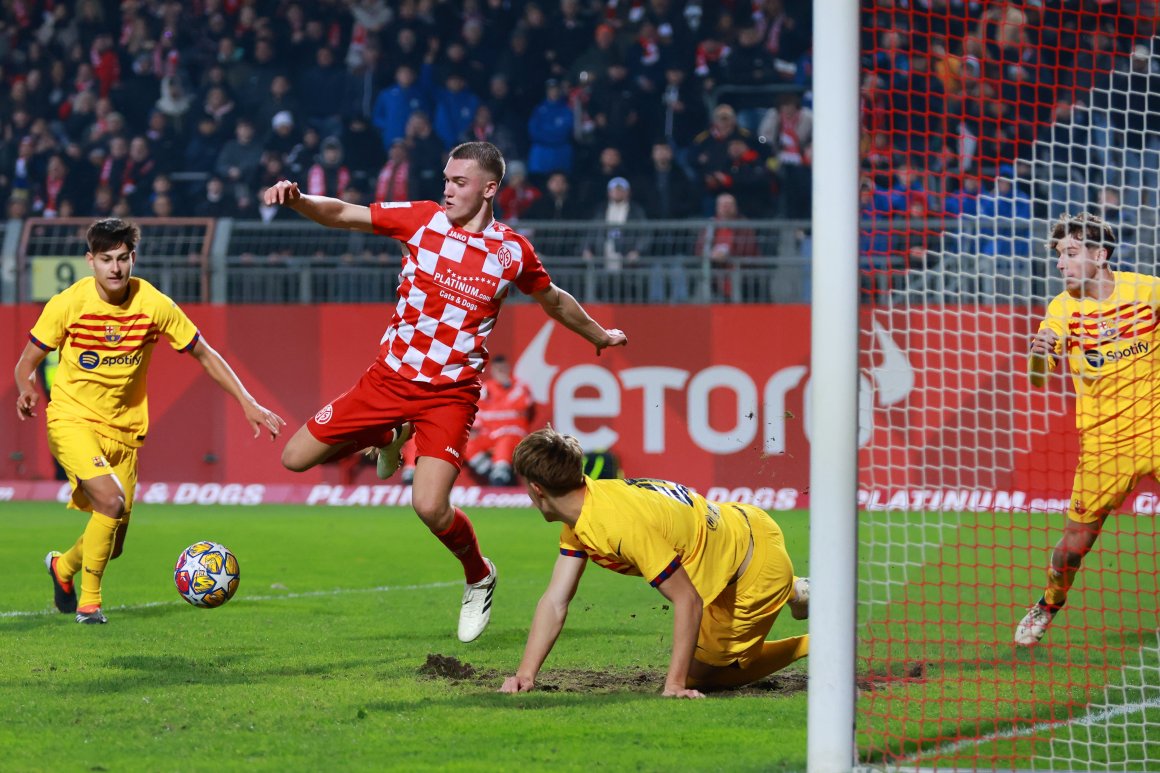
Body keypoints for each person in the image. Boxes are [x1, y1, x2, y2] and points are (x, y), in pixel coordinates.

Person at [261, 141, 627, 643]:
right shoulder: (422, 219)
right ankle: (391, 431)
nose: (448, 189)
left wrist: (599, 336)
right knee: (295, 458)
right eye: (446, 179)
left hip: (449, 394)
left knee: (429, 507)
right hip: (387, 380)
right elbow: (346, 214)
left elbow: (554, 300)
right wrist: (300, 200)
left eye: (459, 182)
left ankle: (479, 575)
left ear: (489, 188)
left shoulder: (511, 251)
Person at [13, 218, 285, 625]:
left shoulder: (153, 304)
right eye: (106, 259)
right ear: (91, 261)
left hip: (124, 432)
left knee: (113, 542)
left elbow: (205, 353)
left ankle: (63, 567)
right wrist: (26, 387)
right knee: (110, 500)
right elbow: (26, 362)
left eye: (123, 259)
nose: (116, 268)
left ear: (133, 258)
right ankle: (90, 604)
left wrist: (247, 401)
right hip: (71, 419)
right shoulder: (68, 303)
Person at [500, 428, 810, 698]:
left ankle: (813, 642)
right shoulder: (586, 506)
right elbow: (556, 600)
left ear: (536, 489)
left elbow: (688, 599)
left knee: (699, 676)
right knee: (695, 650)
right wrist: (525, 674)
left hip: (753, 572)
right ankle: (796, 590)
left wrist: (675, 685)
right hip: (744, 525)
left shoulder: (617, 526)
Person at [1016, 213, 1158, 646]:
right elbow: (1039, 378)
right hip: (1104, 444)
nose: (1061, 264)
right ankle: (1047, 604)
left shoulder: (1148, 291)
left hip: (1157, 427)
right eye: (1060, 256)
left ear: (1101, 254)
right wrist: (1041, 354)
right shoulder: (1062, 308)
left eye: (1071, 254)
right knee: (1073, 546)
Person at [464, 355, 535, 486]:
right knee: (465, 442)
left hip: (512, 434)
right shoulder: (486, 388)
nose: (501, 372)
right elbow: (478, 411)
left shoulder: (519, 386)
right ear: (492, 370)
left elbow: (522, 405)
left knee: (505, 440)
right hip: (490, 434)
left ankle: (500, 476)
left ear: (509, 368)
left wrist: (499, 397)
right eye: (498, 369)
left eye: (503, 368)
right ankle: (493, 474)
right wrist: (475, 429)